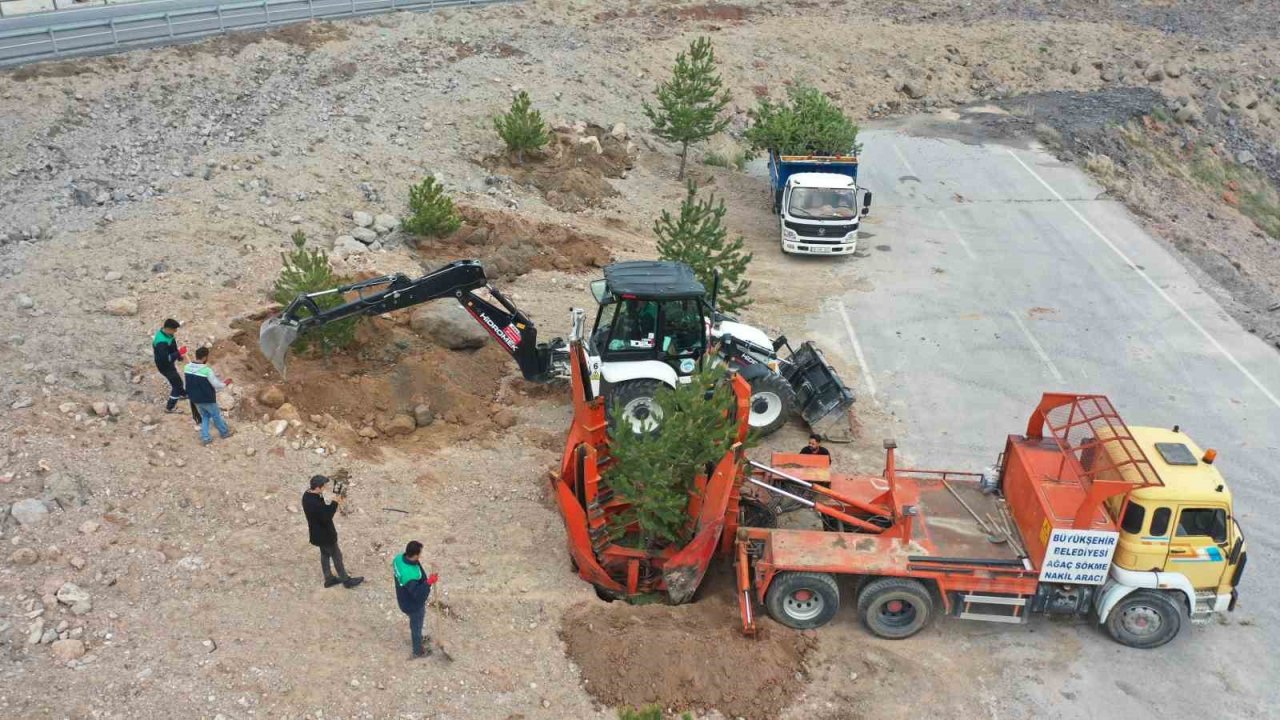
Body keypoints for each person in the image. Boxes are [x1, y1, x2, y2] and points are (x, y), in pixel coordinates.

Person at [302, 475, 364, 589]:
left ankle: (329, 578)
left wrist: (333, 498)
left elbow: (322, 508)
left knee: (325, 555)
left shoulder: (307, 495)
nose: (326, 487)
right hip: (325, 535)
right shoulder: (315, 504)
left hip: (316, 534)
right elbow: (326, 517)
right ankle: (346, 580)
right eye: (324, 486)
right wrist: (336, 502)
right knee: (337, 556)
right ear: (318, 487)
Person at [393, 540, 438, 659]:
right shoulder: (410, 576)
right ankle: (418, 650)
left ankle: (418, 638)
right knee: (416, 625)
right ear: (415, 555)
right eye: (420, 554)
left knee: (416, 625)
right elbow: (418, 595)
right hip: (412, 605)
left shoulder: (398, 559)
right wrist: (429, 582)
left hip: (402, 598)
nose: (420, 556)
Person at [152, 319, 200, 424]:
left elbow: (172, 345)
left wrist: (178, 356)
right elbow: (166, 358)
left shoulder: (167, 335)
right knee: (177, 384)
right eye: (174, 330)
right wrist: (178, 353)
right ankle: (170, 407)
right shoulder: (161, 342)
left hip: (169, 364)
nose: (175, 332)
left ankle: (183, 394)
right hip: (164, 366)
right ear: (168, 329)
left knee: (177, 381)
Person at [183, 347, 233, 446]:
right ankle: (224, 432)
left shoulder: (187, 367)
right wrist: (225, 383)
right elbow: (216, 385)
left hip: (194, 398)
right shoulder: (206, 370)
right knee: (216, 416)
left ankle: (205, 437)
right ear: (205, 357)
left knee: (205, 416)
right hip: (207, 398)